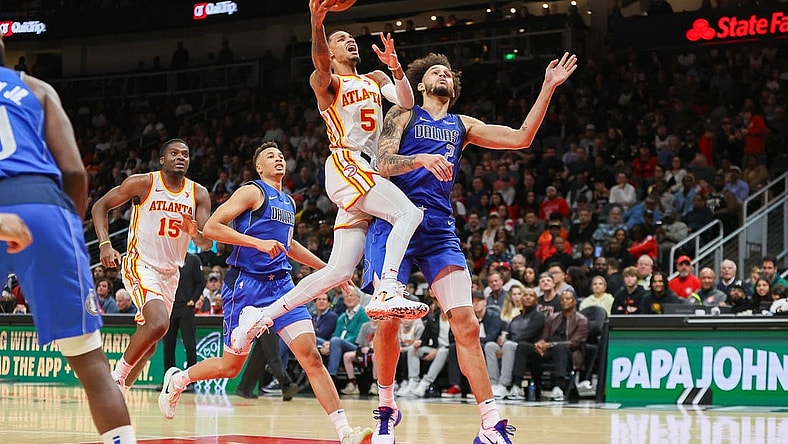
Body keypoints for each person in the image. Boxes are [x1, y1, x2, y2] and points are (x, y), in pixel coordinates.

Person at [363, 51, 576, 443]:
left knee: (466, 323)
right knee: (388, 320)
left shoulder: (463, 125)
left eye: (447, 73)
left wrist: (547, 87)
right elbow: (382, 162)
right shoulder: (404, 113)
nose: (442, 75)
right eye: (434, 72)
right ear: (422, 85)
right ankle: (388, 408)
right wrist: (421, 159)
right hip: (394, 222)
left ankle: (490, 424)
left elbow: (521, 138)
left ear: (452, 87)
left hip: (439, 230)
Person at [230, 0, 435, 355]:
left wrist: (397, 68)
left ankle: (261, 317)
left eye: (351, 38)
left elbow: (405, 102)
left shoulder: (375, 77)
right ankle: (387, 286)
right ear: (332, 49)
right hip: (346, 161)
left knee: (339, 271)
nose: (349, 41)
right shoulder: (327, 81)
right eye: (341, 39)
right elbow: (320, 60)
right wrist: (317, 21)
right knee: (408, 213)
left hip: (365, 167)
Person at [157, 142, 372, 444]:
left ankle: (345, 432)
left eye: (281, 156)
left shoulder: (288, 202)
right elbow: (212, 229)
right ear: (259, 167)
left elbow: (289, 246)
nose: (279, 159)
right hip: (246, 285)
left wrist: (330, 270)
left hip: (281, 285)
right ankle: (179, 379)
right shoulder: (252, 192)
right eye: (271, 156)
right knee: (231, 368)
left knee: (310, 355)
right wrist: (256, 243)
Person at [0, 34, 136, 443]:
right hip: (45, 207)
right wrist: (64, 233)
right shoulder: (37, 88)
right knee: (92, 364)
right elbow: (75, 173)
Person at [91, 138, 213, 392]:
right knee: (159, 324)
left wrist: (195, 232)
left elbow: (203, 244)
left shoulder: (199, 193)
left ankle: (120, 393)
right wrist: (104, 244)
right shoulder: (144, 183)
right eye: (174, 153)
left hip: (171, 273)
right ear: (162, 159)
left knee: (150, 345)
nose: (180, 157)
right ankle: (114, 379)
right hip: (141, 263)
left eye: (185, 154)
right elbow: (99, 206)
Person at [162, 252, 205, 386]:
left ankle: (191, 381)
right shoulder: (167, 258)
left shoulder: (193, 260)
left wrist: (192, 300)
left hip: (186, 308)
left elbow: (200, 283)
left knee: (190, 345)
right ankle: (169, 381)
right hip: (169, 308)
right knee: (168, 346)